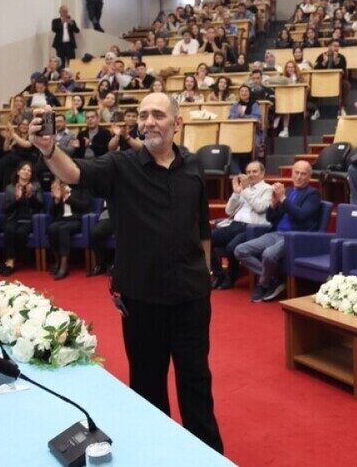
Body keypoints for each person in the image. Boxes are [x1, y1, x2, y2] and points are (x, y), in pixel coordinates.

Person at [28, 94, 224, 452]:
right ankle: (156, 453)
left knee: (196, 382)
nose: (148, 121)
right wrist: (48, 149)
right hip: (142, 298)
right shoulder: (120, 165)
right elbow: (74, 173)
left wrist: (205, 276)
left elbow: (203, 229)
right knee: (148, 386)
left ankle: (208, 455)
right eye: (143, 115)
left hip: (192, 297)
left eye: (158, 115)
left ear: (176, 124)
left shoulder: (194, 166)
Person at [234, 161, 322, 303]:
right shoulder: (287, 191)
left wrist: (282, 199)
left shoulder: (313, 194)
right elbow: (270, 218)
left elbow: (300, 216)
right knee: (240, 250)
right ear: (292, 173)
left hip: (295, 236)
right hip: (276, 233)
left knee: (268, 254)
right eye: (296, 172)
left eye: (303, 174)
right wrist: (274, 205)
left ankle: (263, 284)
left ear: (309, 176)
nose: (299, 177)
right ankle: (273, 279)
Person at [211, 161, 271, 290]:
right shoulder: (244, 189)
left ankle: (231, 277)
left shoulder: (268, 189)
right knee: (205, 239)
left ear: (263, 173)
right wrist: (237, 193)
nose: (251, 174)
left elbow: (260, 207)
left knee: (231, 247)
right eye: (248, 172)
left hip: (251, 228)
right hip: (234, 224)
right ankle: (219, 274)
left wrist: (245, 192)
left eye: (254, 171)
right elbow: (228, 211)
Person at [0, 161, 43, 276]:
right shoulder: (10, 188)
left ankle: (10, 260)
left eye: (29, 170)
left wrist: (31, 197)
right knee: (9, 229)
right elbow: (6, 209)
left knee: (21, 232)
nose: (26, 172)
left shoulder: (36, 186)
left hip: (29, 219)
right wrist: (16, 200)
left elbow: (40, 206)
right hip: (13, 217)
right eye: (24, 169)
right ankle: (10, 261)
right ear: (18, 172)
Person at [46, 178, 92, 280]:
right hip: (62, 220)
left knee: (63, 229)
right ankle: (57, 261)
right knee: (51, 228)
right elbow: (52, 212)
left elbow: (86, 205)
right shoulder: (58, 188)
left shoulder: (82, 188)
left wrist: (68, 199)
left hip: (77, 220)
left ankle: (64, 266)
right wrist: (57, 200)